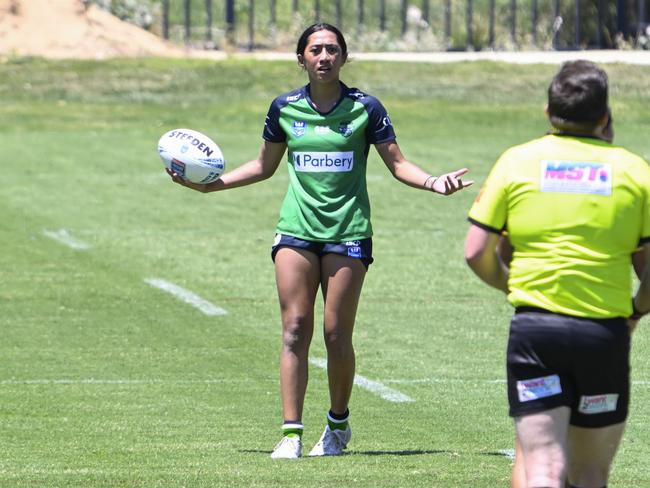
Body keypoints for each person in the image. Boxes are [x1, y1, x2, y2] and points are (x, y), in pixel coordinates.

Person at [167, 22, 472, 459]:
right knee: (294, 329)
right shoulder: (284, 108)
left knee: (334, 334)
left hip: (348, 233)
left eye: (332, 49)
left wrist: (433, 182)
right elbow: (263, 166)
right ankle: (291, 433)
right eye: (315, 49)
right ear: (302, 58)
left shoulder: (366, 108)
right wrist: (210, 186)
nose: (324, 56)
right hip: (296, 231)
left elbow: (398, 164)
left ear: (344, 57)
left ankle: (337, 425)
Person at [465, 59, 650, 488]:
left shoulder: (517, 162)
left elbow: (477, 251)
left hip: (536, 334)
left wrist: (515, 287)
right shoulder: (635, 171)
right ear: (605, 116)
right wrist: (636, 312)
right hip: (603, 335)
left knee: (543, 471)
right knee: (589, 475)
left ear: (548, 112)